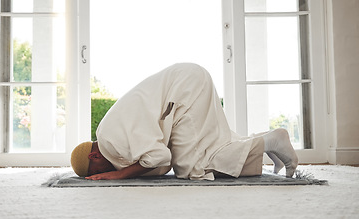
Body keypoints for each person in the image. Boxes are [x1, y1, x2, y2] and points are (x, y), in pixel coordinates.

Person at [71, 63, 298, 181]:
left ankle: (272, 142)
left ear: (94, 157)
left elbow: (161, 158)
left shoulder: (113, 142)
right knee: (209, 148)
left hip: (184, 90)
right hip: (185, 83)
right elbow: (159, 161)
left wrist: (120, 174)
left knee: (194, 169)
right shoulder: (109, 136)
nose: (99, 176)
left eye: (94, 173)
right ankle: (266, 142)